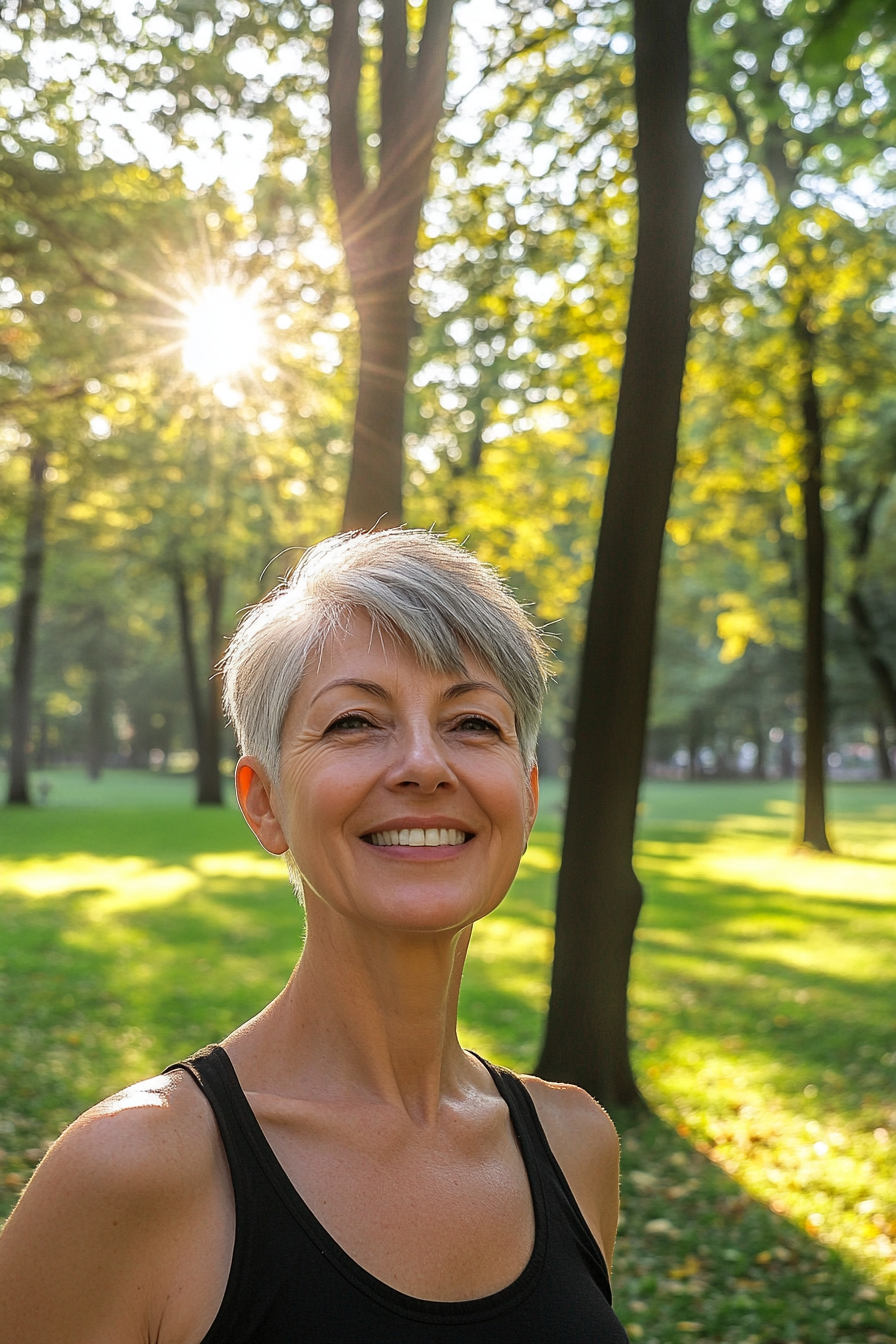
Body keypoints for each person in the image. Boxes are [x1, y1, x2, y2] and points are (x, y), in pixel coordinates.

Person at [0, 529, 627, 1344]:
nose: (423, 764)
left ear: (528, 793)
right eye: (355, 722)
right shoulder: (136, 1173)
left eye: (472, 723)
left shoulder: (575, 1145)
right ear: (263, 803)